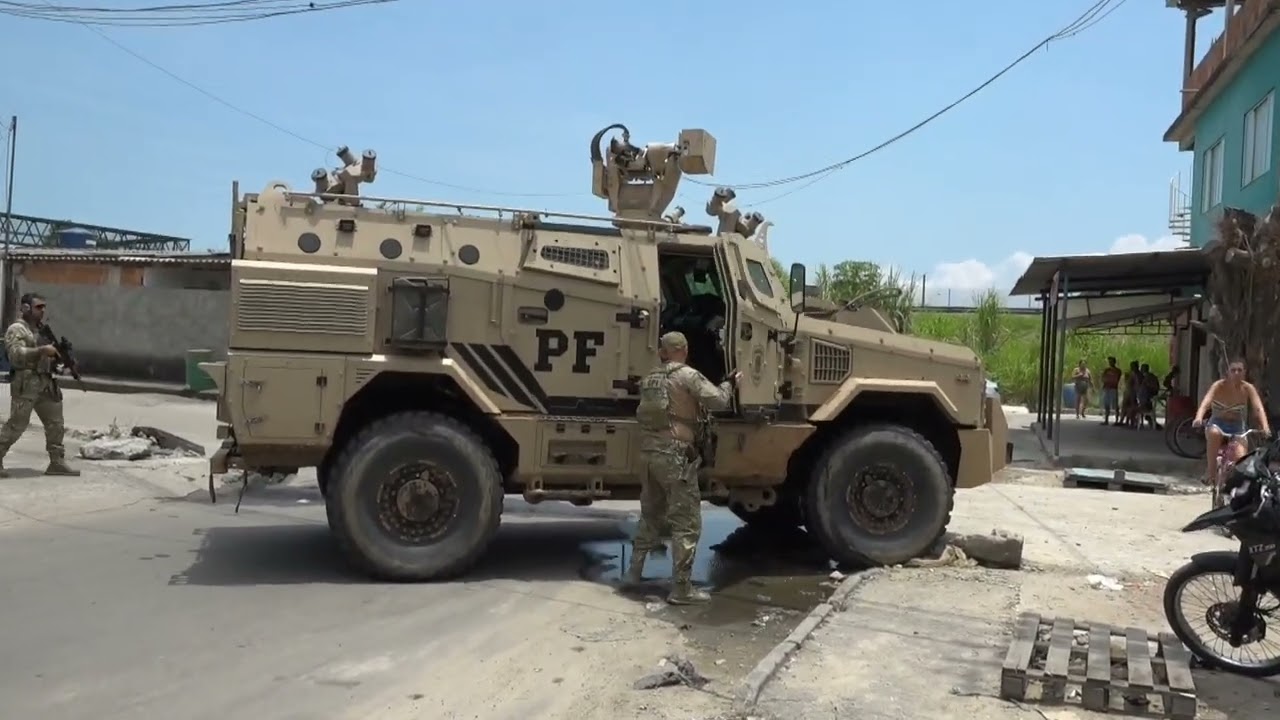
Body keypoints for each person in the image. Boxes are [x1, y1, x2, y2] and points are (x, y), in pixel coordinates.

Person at [623, 331, 739, 604]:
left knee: (650, 514)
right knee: (686, 522)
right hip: (675, 454)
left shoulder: (650, 377)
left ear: (662, 351)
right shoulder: (688, 376)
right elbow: (719, 401)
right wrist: (730, 383)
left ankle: (633, 573)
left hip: (650, 452)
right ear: (684, 350)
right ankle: (682, 589)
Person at [0, 292, 80, 477]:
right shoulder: (17, 329)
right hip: (26, 383)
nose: (42, 311)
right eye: (38, 307)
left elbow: (52, 360)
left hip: (46, 382)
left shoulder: (42, 330)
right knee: (17, 425)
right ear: (25, 308)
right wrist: (41, 350)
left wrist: (64, 363)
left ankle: (57, 462)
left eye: (44, 307)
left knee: (56, 424)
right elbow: (15, 355)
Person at [1193, 357, 1271, 489]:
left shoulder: (1248, 388)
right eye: (1233, 370)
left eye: (1240, 370)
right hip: (1217, 423)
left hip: (1237, 426)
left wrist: (1265, 426)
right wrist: (1198, 417)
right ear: (1227, 372)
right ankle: (1211, 471)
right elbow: (1205, 403)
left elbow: (1258, 408)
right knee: (1214, 433)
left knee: (1240, 456)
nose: (1236, 373)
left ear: (1245, 372)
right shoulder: (1218, 386)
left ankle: (1231, 483)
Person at [1099, 357, 1122, 425]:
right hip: (1107, 388)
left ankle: (1117, 420)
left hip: (1113, 388)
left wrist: (1108, 380)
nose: (1110, 363)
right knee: (1106, 404)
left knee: (1115, 405)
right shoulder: (1107, 370)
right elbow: (1103, 378)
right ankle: (1106, 420)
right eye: (1109, 361)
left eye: (1111, 361)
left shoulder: (1117, 370)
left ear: (1114, 362)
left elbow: (1116, 379)